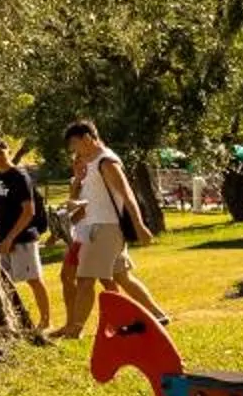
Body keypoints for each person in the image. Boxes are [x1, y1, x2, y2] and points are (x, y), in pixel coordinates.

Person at [54, 118, 169, 340]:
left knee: (85, 279)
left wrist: (140, 225)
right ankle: (158, 314)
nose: (73, 150)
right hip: (94, 227)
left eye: (74, 144)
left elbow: (127, 195)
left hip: (105, 228)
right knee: (123, 277)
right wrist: (77, 180)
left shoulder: (106, 162)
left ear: (88, 138)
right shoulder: (89, 164)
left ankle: (74, 330)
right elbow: (79, 199)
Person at [0, 135, 52, 335]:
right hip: (2, 240)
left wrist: (11, 238)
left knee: (33, 280)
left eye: (0, 153)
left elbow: (28, 212)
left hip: (22, 239)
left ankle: (46, 322)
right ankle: (11, 322)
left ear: (9, 152)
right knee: (3, 282)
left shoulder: (19, 176)